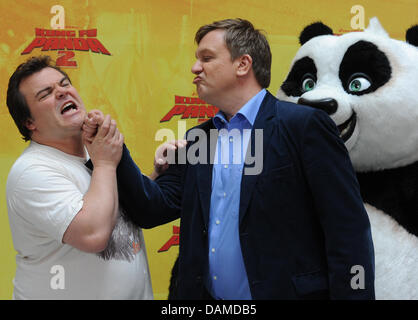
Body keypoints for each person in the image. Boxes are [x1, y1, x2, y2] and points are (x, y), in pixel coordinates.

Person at [93, 18, 376, 299]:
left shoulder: (304, 126)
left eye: (207, 58)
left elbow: (347, 228)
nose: (195, 68)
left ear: (243, 65)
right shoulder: (198, 139)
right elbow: (151, 208)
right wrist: (114, 151)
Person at [5, 56, 153, 299]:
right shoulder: (32, 172)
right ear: (29, 122)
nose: (62, 92)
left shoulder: (94, 148)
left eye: (65, 83)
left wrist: (157, 173)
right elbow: (93, 234)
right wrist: (106, 162)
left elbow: (116, 209)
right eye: (46, 94)